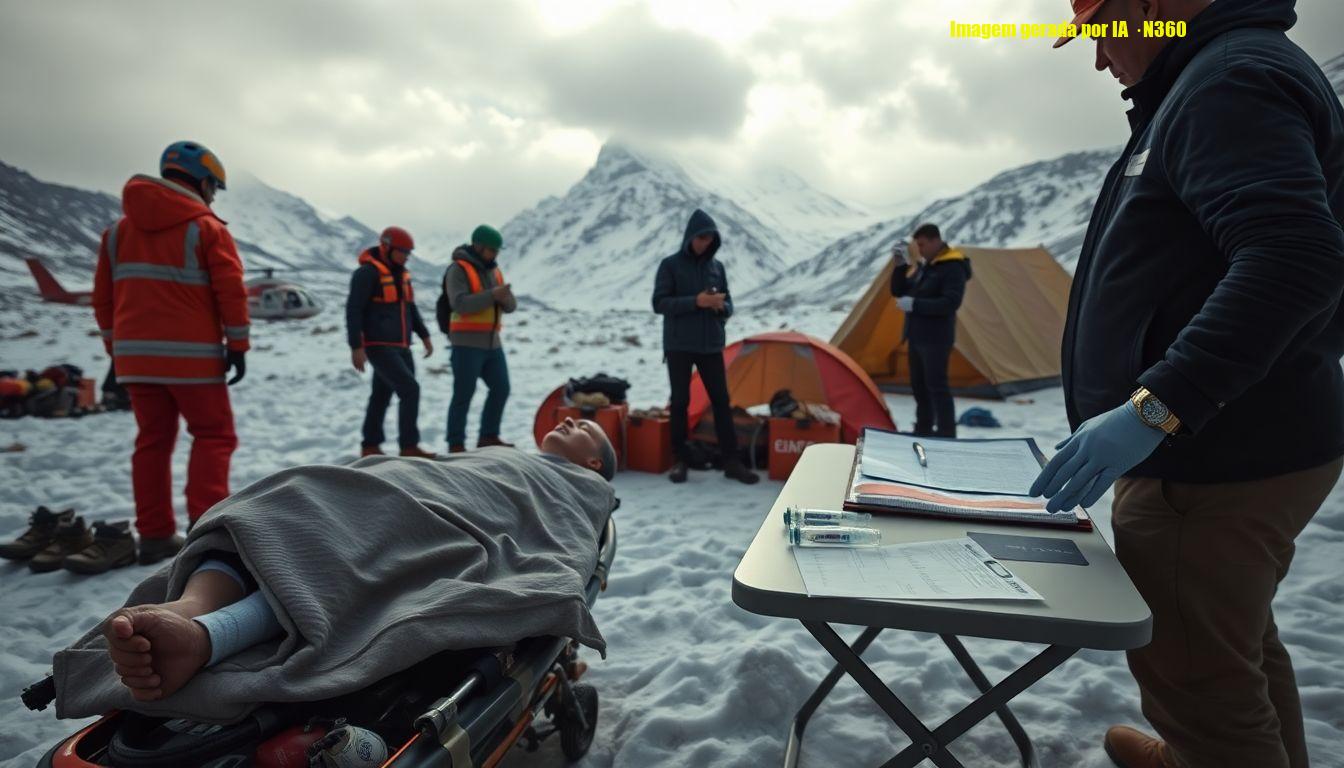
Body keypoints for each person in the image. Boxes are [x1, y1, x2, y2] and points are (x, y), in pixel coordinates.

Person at [1034, 1, 1344, 766]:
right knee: (1233, 642)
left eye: (1101, 32)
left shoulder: (1228, 82)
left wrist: (1156, 407)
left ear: (1148, 6)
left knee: (1198, 678)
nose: (1099, 59)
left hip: (1212, 460)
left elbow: (1294, 258)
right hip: (1241, 439)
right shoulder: (1215, 75)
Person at [77, 417, 616, 709]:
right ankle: (189, 608)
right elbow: (445, 469)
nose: (570, 418)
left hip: (472, 507)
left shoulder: (583, 486)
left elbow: (564, 532)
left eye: (586, 428)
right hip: (423, 482)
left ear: (593, 462)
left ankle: (212, 633)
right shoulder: (503, 451)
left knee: (366, 541)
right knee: (301, 498)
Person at [89, 140, 250, 571]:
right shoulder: (207, 229)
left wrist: (118, 350)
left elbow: (103, 300)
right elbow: (231, 293)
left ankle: (156, 535)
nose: (213, 196)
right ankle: (207, 530)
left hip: (135, 362)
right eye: (213, 186)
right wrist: (238, 345)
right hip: (193, 359)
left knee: (153, 441)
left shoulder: (116, 234)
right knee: (214, 436)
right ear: (202, 181)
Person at [652, 209, 759, 485]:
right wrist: (695, 302)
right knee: (680, 402)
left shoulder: (717, 267)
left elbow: (729, 303)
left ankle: (732, 461)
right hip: (679, 345)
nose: (705, 243)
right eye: (701, 238)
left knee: (721, 401)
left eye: (710, 238)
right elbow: (659, 303)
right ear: (690, 237)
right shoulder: (670, 265)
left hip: (711, 345)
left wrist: (721, 307)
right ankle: (680, 460)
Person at [346, 226, 436, 458]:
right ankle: (409, 446)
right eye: (403, 252)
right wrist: (356, 346)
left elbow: (410, 308)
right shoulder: (367, 274)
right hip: (378, 346)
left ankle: (370, 446)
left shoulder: (402, 275)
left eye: (409, 252)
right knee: (410, 390)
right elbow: (354, 310)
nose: (407, 257)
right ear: (387, 247)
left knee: (381, 395)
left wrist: (424, 335)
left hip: (402, 346)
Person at [889, 223, 971, 438]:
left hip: (936, 338)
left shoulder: (952, 266)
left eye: (922, 244)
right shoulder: (927, 267)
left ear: (936, 240)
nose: (920, 249)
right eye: (918, 245)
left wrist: (915, 304)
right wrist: (900, 266)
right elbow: (899, 290)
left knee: (937, 387)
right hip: (916, 336)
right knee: (919, 386)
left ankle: (946, 433)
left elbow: (950, 303)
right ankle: (923, 429)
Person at [444, 225, 516, 454]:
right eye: (492, 250)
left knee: (501, 388)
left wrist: (504, 298)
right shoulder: (458, 269)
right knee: (463, 394)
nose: (495, 255)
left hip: (493, 343)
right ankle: (456, 444)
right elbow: (460, 304)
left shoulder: (495, 272)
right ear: (478, 246)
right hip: (466, 344)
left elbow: (511, 306)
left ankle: (488, 436)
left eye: (497, 251)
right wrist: (492, 295)